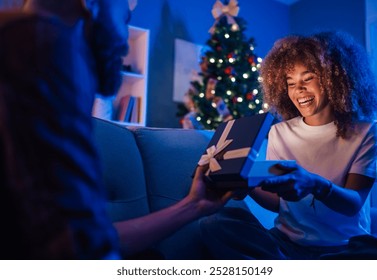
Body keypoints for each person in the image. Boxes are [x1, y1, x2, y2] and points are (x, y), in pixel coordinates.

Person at [0, 0, 233, 259]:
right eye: (124, 19)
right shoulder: (44, 44)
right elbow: (77, 249)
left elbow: (83, 234)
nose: (123, 42)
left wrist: (194, 205)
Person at [199, 31, 377, 259]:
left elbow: (353, 203)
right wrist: (247, 187)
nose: (299, 90)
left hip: (342, 247)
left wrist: (315, 184)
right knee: (216, 224)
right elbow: (280, 204)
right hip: (285, 243)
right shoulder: (279, 132)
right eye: (290, 83)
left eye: (307, 79)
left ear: (334, 78)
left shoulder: (366, 130)